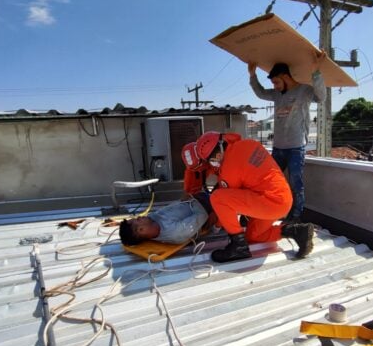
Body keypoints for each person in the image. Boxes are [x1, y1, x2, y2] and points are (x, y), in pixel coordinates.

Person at [195, 131, 314, 263]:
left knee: (217, 197)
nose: (213, 164)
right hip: (283, 200)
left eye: (211, 161)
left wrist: (216, 226)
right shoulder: (248, 144)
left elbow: (226, 202)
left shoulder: (229, 168)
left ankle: (239, 247)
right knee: (253, 236)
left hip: (268, 203)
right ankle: (296, 231)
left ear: (217, 155)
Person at [248, 59, 326, 222]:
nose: (275, 86)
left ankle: (296, 216)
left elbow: (321, 97)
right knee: (268, 181)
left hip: (296, 147)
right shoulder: (277, 95)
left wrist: (317, 73)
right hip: (278, 148)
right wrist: (252, 75)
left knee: (295, 182)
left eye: (277, 82)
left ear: (286, 76)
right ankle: (265, 211)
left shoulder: (304, 91)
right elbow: (261, 93)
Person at [119, 192, 212, 245]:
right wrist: (192, 199)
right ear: (141, 230)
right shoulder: (175, 232)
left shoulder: (152, 220)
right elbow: (202, 215)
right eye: (137, 220)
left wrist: (187, 198)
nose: (139, 217)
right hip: (209, 205)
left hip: (195, 197)